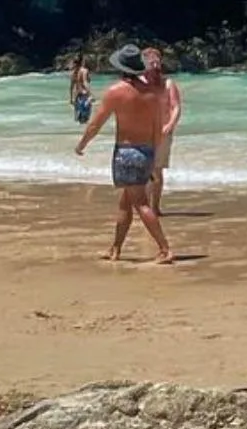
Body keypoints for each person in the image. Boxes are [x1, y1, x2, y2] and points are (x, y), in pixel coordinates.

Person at [75, 44, 175, 264]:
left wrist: (82, 144)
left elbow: (96, 124)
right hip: (147, 151)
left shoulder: (116, 92)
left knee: (140, 203)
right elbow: (157, 130)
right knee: (125, 202)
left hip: (127, 153)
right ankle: (115, 249)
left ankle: (164, 249)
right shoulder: (152, 93)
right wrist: (153, 158)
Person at [144, 47, 183, 215]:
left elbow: (176, 107)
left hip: (162, 132)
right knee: (143, 170)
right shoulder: (139, 83)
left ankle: (155, 207)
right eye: (150, 62)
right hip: (142, 131)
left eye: (156, 61)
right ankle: (143, 206)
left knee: (156, 170)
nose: (154, 65)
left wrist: (170, 124)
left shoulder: (168, 84)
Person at [70, 55, 93, 124]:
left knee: (78, 119)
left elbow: (71, 87)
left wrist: (71, 99)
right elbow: (85, 82)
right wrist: (90, 95)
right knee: (85, 119)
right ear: (82, 62)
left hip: (77, 97)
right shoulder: (84, 71)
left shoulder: (73, 73)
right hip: (85, 96)